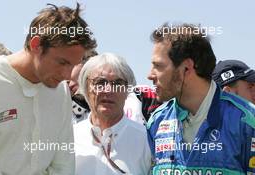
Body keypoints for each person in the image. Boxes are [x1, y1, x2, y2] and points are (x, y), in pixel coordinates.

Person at [0, 3, 96, 175]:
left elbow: (64, 162)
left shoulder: (61, 91)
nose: (68, 76)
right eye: (62, 62)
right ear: (36, 45)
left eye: (73, 65)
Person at [146, 23, 255, 174]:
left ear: (187, 68)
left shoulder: (247, 121)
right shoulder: (157, 122)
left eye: (158, 66)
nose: (150, 75)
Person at [74, 53, 151, 175]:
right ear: (85, 88)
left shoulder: (146, 141)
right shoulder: (69, 137)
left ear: (128, 91)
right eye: (100, 82)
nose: (109, 90)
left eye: (118, 84)